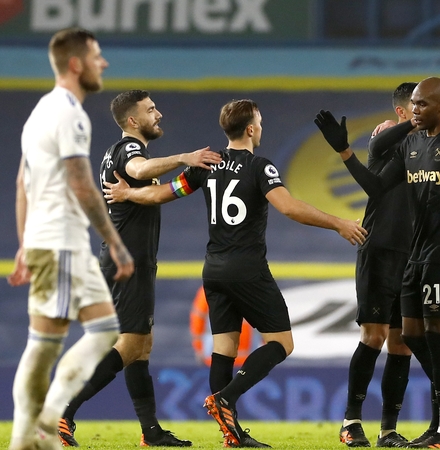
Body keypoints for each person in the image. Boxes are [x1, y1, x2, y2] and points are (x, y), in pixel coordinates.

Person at [103, 99, 368, 448]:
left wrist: (127, 193)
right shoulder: (261, 167)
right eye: (259, 121)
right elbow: (288, 207)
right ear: (251, 129)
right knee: (281, 343)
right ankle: (226, 398)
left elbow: (161, 194)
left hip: (213, 271)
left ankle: (232, 434)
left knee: (224, 349)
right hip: (247, 269)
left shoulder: (205, 166)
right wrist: (338, 223)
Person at [315, 76, 440, 449]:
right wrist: (344, 152)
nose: (414, 111)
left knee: (434, 337)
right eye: (413, 105)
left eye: (421, 105)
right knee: (412, 336)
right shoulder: (411, 144)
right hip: (412, 255)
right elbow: (376, 187)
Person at [57, 89, 223, 447]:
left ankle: (151, 431)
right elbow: (140, 170)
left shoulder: (117, 152)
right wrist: (185, 157)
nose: (158, 114)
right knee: (131, 345)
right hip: (128, 262)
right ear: (133, 121)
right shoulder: (129, 151)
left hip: (132, 260)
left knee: (141, 346)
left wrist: (190, 180)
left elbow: (156, 193)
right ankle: (62, 410)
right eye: (150, 110)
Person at [7, 27, 134, 450]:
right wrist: (114, 243)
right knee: (81, 336)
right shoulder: (70, 114)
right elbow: (82, 183)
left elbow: (23, 181)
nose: (104, 63)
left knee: (63, 338)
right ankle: (47, 417)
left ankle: (28, 433)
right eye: (97, 56)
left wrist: (24, 243)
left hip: (50, 240)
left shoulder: (41, 111)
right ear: (77, 63)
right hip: (62, 241)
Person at [337, 82, 416, 448]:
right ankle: (351, 422)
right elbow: (376, 186)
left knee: (402, 344)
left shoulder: (433, 146)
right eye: (420, 105)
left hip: (414, 254)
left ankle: (388, 429)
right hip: (380, 248)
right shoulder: (384, 141)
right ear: (402, 111)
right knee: (375, 335)